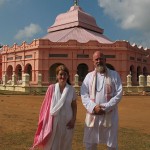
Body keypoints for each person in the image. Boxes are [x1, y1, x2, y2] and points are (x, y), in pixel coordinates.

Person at [80, 51, 123, 150]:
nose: (99, 61)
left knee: (111, 143)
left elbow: (119, 93)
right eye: (96, 59)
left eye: (101, 59)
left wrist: (106, 107)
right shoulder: (89, 76)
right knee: (90, 143)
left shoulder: (114, 75)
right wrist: (93, 107)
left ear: (105, 60)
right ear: (93, 61)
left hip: (109, 114)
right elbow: (84, 94)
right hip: (93, 114)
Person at [31, 64, 77, 150]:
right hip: (53, 122)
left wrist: (73, 119)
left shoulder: (71, 90)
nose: (62, 77)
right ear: (57, 76)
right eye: (60, 74)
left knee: (65, 143)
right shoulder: (51, 88)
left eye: (65, 74)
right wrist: (45, 121)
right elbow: (46, 107)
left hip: (67, 122)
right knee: (52, 144)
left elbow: (74, 106)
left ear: (68, 76)